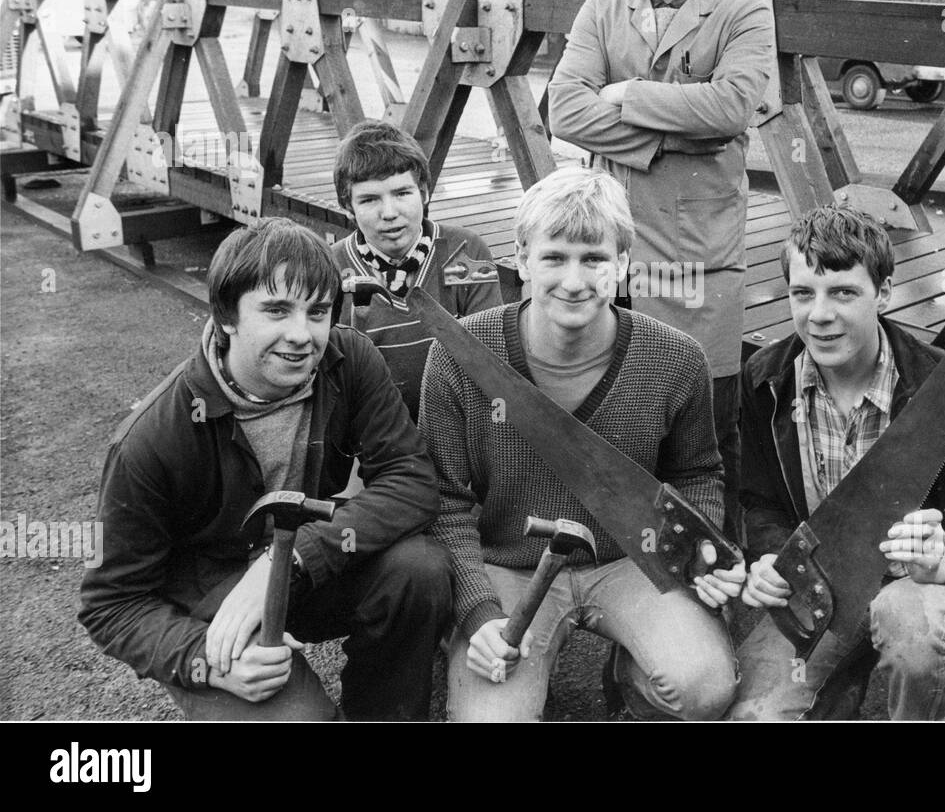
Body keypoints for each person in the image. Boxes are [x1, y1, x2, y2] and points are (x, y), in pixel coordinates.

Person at [80, 218, 453, 720]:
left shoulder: (351, 358)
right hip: (216, 607)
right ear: (226, 315)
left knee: (419, 569)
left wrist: (296, 558)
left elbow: (411, 479)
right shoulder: (151, 440)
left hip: (306, 570)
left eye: (317, 311)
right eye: (276, 310)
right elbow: (111, 605)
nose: (301, 335)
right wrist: (200, 661)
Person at [419, 167, 746, 721]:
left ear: (622, 265)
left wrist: (700, 549)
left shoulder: (676, 358)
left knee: (704, 686)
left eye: (594, 259)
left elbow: (695, 474)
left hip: (629, 563)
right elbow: (446, 503)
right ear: (522, 259)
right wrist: (477, 614)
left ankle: (631, 678)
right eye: (554, 258)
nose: (574, 280)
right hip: (510, 568)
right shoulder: (458, 356)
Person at [548, 0, 775, 544]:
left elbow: (736, 103)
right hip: (612, 245)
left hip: (697, 254)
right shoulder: (602, 7)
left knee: (706, 420)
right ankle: (618, 552)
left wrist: (625, 96)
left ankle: (711, 559)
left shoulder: (743, 9)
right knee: (612, 405)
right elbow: (563, 107)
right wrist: (675, 131)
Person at [728, 206, 945, 720]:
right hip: (820, 594)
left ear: (883, 293)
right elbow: (760, 503)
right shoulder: (764, 379)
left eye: (844, 292)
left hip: (912, 590)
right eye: (803, 294)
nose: (819, 315)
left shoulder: (942, 387)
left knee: (914, 629)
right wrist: (772, 559)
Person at [331, 118, 502, 420]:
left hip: (456, 420)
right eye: (369, 199)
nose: (389, 213)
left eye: (402, 193)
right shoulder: (332, 266)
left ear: (424, 192)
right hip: (373, 429)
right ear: (348, 207)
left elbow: (490, 359)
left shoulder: (466, 251)